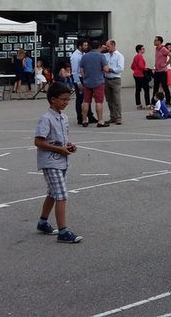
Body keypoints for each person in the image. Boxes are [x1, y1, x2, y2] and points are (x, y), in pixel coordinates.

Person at [33, 82, 82, 243]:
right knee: (61, 195)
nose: (66, 103)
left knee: (53, 193)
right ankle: (63, 231)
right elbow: (39, 142)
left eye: (68, 100)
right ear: (53, 99)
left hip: (62, 161)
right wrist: (59, 150)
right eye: (64, 100)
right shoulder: (46, 119)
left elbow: (62, 140)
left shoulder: (63, 117)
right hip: (50, 162)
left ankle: (42, 222)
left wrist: (68, 146)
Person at [79, 40, 108, 127]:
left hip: (87, 82)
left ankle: (84, 120)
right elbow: (106, 69)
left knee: (86, 101)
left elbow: (81, 70)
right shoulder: (101, 56)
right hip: (98, 81)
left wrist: (85, 77)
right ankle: (100, 121)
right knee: (99, 102)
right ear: (99, 47)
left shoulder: (84, 56)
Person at [70, 39, 95, 125]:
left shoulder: (84, 54)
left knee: (87, 98)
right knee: (80, 99)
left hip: (85, 78)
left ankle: (89, 115)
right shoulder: (75, 56)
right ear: (80, 46)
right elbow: (74, 71)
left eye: (87, 45)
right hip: (79, 79)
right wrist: (78, 83)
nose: (86, 47)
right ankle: (80, 117)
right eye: (85, 45)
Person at [102, 40, 125, 125]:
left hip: (115, 79)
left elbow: (120, 68)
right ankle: (113, 116)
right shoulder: (105, 55)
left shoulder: (119, 56)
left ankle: (119, 117)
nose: (107, 48)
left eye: (108, 46)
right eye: (106, 46)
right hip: (106, 79)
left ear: (113, 45)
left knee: (116, 100)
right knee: (109, 99)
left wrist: (110, 69)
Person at [152, 36, 171, 106]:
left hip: (163, 71)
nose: (154, 41)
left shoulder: (163, 49)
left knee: (165, 87)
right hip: (157, 71)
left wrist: (166, 63)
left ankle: (168, 101)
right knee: (155, 87)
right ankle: (154, 101)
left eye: (155, 40)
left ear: (159, 41)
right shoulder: (156, 49)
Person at [131, 44, 151, 111]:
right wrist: (146, 69)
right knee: (146, 89)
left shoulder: (136, 56)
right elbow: (141, 66)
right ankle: (148, 104)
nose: (144, 50)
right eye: (143, 48)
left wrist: (136, 70)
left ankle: (138, 104)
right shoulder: (140, 56)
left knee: (138, 90)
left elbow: (132, 66)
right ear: (139, 50)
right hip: (141, 75)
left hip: (136, 75)